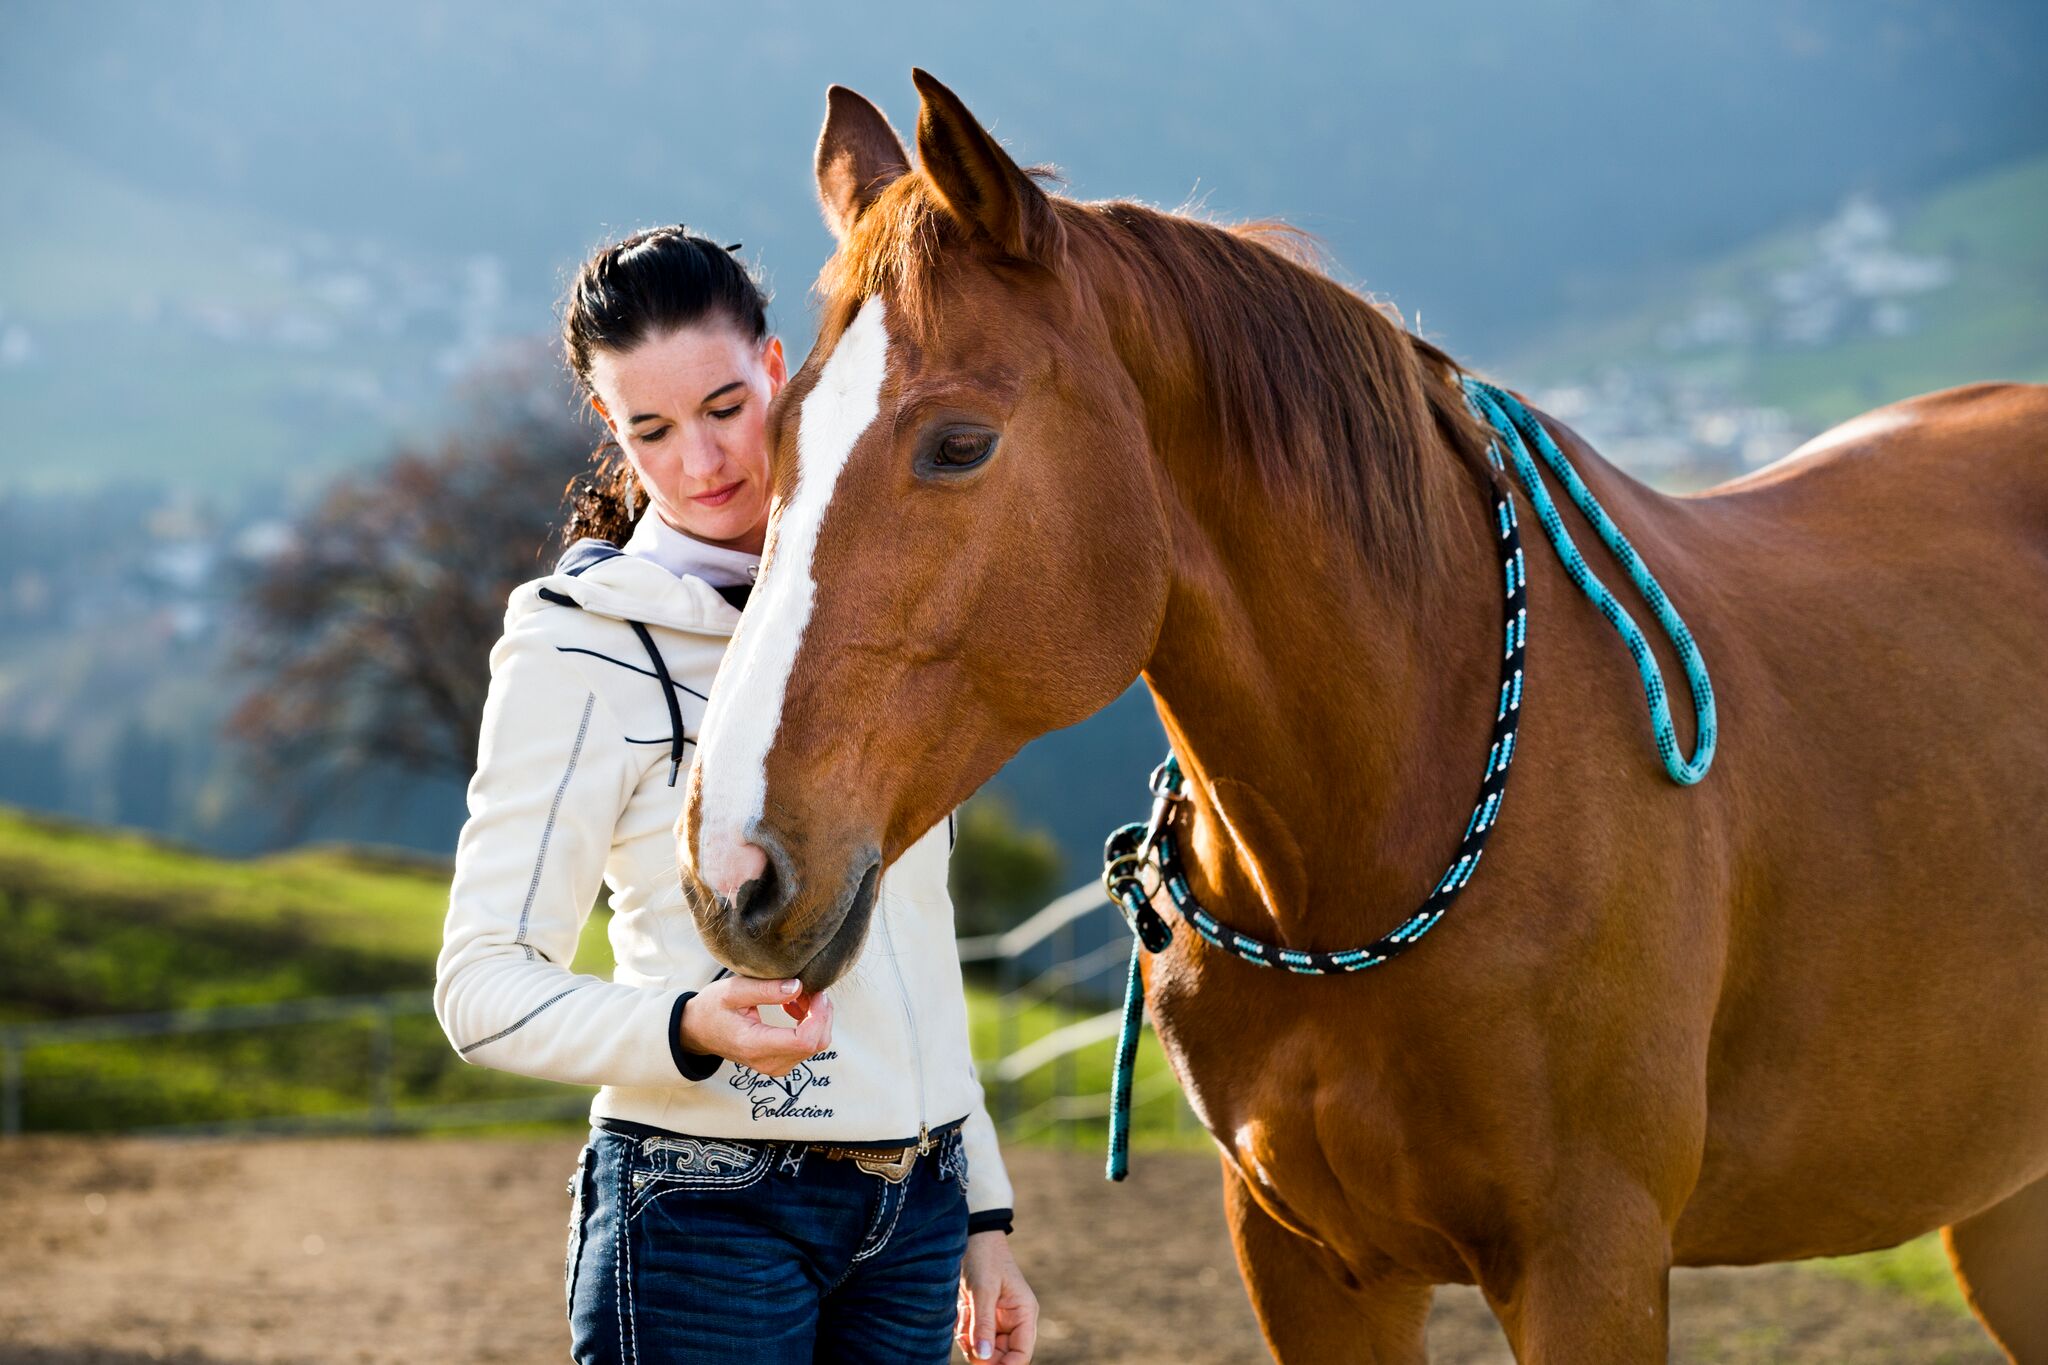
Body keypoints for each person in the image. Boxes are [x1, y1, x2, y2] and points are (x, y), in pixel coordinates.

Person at [433, 225, 1038, 1364]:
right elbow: (480, 988)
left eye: (724, 407)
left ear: (776, 369)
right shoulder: (576, 646)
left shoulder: (879, 617)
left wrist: (981, 1213)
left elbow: (916, 945)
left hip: (915, 1220)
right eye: (651, 430)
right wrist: (684, 1027)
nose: (701, 461)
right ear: (609, 426)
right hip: (704, 1213)